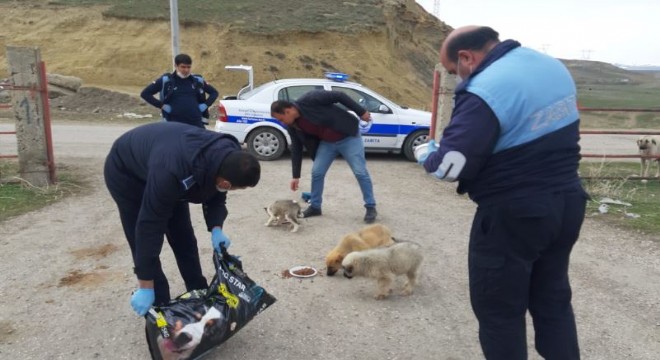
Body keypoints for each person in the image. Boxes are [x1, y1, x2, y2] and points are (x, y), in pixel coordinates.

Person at [419, 26, 588, 359]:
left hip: (514, 213)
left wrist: (426, 154)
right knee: (552, 300)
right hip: (568, 200)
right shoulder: (549, 65)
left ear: (466, 57)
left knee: (499, 312)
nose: (457, 78)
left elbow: (450, 166)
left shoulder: (485, 88)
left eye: (454, 71)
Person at [104, 122, 260, 316]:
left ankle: (197, 291)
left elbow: (216, 196)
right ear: (226, 182)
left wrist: (216, 227)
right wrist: (145, 284)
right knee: (144, 234)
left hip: (167, 163)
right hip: (127, 173)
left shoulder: (226, 157)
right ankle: (159, 303)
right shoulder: (170, 173)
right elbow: (148, 228)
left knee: (183, 235)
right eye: (237, 188)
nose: (233, 190)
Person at [270, 90, 378, 223]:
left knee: (360, 172)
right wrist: (295, 176)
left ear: (288, 111)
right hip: (327, 143)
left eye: (281, 119)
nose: (283, 123)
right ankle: (315, 206)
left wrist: (361, 112)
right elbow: (296, 148)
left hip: (349, 137)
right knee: (317, 172)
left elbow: (339, 95)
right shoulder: (293, 125)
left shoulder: (309, 99)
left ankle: (370, 206)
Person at [140, 53, 219, 128]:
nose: (186, 70)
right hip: (173, 124)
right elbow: (145, 94)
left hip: (195, 123)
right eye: (183, 67)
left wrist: (205, 105)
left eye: (188, 67)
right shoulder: (166, 81)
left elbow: (214, 93)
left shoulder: (197, 81)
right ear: (176, 66)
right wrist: (161, 105)